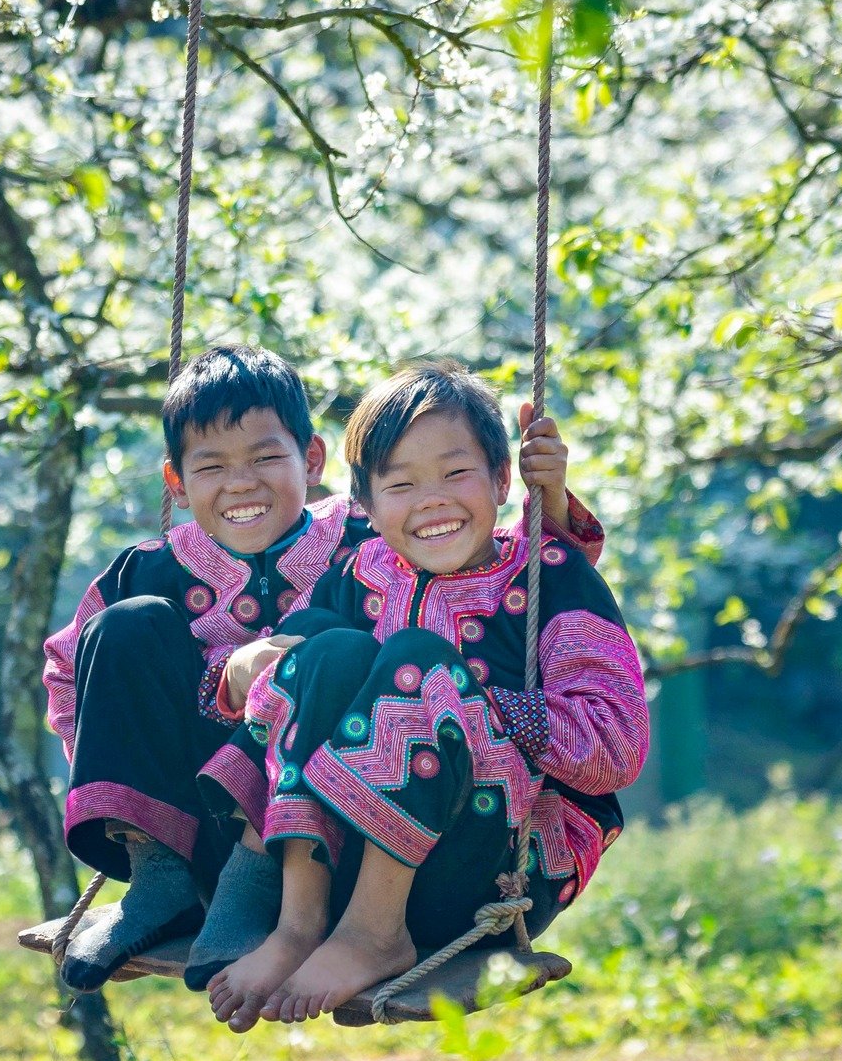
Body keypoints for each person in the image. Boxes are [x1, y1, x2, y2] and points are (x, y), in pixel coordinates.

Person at [43, 346, 604, 993]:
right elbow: (69, 677)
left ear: (312, 461)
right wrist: (208, 694)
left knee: (331, 644)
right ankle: (159, 877)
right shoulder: (147, 567)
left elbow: (480, 554)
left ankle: (297, 904)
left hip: (355, 828)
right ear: (176, 481)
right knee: (124, 625)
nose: (242, 483)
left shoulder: (364, 538)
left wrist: (551, 501)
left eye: (265, 458)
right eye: (212, 466)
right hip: (207, 826)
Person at [200, 360, 648, 1031]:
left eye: (455, 473)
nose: (432, 498)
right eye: (401, 484)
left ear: (503, 480)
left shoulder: (551, 579)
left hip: (490, 868)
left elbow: (617, 746)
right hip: (344, 861)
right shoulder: (359, 573)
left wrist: (476, 708)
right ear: (368, 508)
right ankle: (298, 921)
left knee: (416, 663)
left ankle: (376, 934)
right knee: (323, 651)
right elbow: (280, 684)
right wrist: (238, 672)